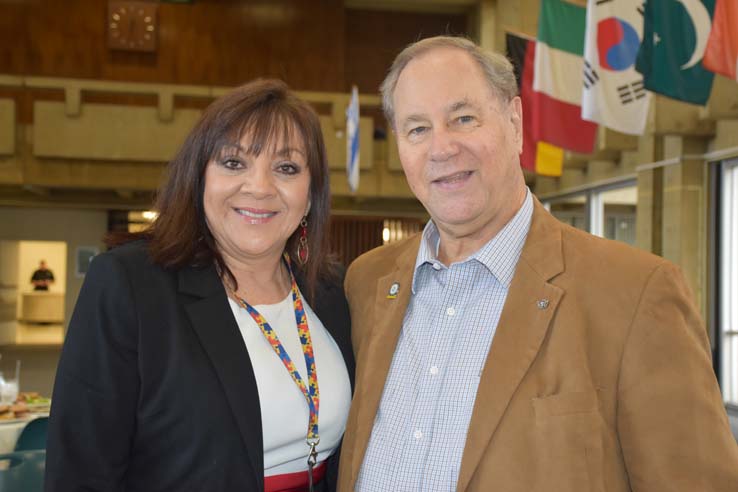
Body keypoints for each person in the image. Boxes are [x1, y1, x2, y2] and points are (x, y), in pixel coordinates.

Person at [337, 36, 738, 491]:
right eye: (417, 129)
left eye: (463, 118)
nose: (441, 148)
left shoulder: (637, 294)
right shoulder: (367, 282)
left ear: (514, 121)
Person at [46, 79, 355, 492]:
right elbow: (80, 472)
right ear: (199, 177)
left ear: (311, 194)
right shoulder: (131, 286)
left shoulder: (332, 293)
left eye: (286, 168)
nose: (260, 187)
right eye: (234, 163)